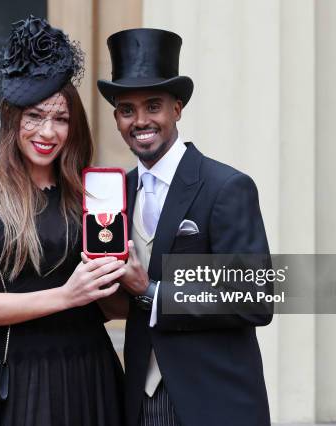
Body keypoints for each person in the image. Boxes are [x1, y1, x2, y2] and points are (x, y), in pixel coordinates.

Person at [0, 16, 126, 426]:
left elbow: (110, 306)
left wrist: (129, 282)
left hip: (92, 371)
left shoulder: (92, 193)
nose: (47, 131)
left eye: (61, 118)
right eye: (34, 116)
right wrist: (66, 295)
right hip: (20, 378)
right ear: (12, 120)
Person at [96, 29, 273, 426]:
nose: (140, 121)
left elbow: (255, 298)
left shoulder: (226, 187)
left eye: (153, 106)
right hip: (141, 399)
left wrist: (151, 292)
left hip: (213, 399)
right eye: (127, 110)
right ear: (116, 118)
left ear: (177, 108)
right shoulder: (113, 194)